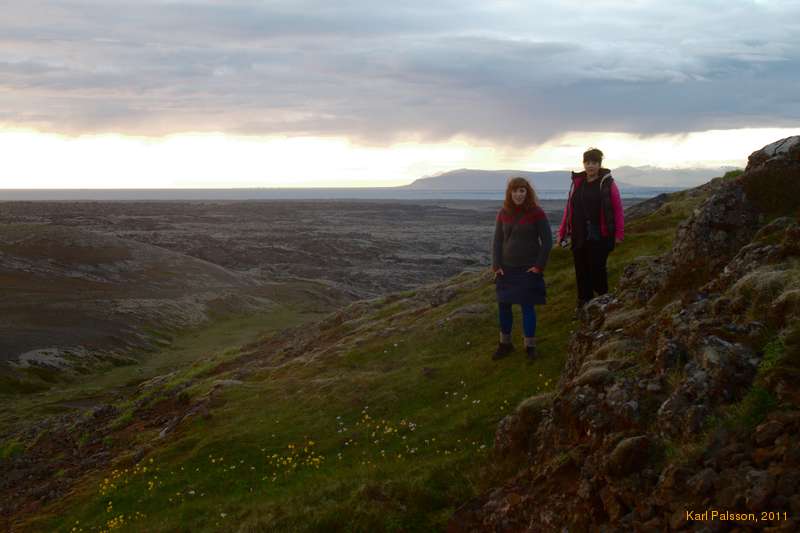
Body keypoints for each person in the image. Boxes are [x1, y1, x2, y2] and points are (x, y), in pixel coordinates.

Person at [556, 148, 624, 316]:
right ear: (583, 164)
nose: (590, 166)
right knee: (581, 269)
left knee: (597, 268)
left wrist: (619, 234)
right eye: (588, 162)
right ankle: (583, 303)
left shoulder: (607, 183)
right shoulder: (578, 183)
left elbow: (617, 209)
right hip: (579, 234)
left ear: (599, 164)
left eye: (594, 162)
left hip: (600, 234)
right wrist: (562, 231)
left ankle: (603, 301)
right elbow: (569, 209)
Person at [491, 177, 552, 361]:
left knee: (527, 307)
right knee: (504, 306)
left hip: (528, 269)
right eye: (515, 191)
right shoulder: (503, 213)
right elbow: (497, 241)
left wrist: (538, 267)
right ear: (510, 193)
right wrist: (496, 265)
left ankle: (530, 347)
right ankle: (505, 344)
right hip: (506, 269)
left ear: (527, 192)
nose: (518, 194)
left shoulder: (537, 213)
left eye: (522, 191)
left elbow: (547, 241)